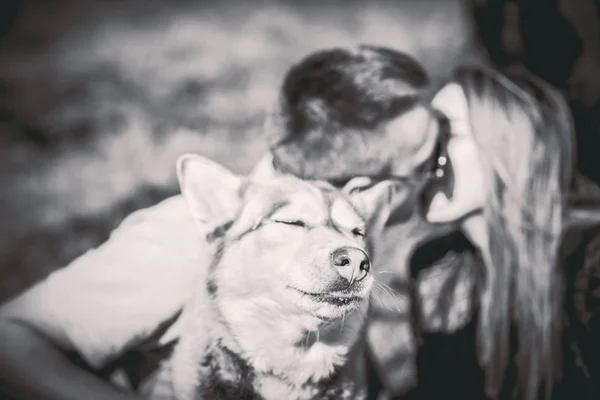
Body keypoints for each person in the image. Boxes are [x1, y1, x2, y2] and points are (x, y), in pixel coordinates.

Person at [0, 45, 446, 399]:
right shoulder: (182, 239)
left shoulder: (347, 240)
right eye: (430, 157)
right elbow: (11, 342)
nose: (440, 168)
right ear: (369, 186)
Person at [371, 66, 600, 400]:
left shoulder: (590, 262)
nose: (427, 154)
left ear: (512, 145)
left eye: (448, 134)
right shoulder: (435, 267)